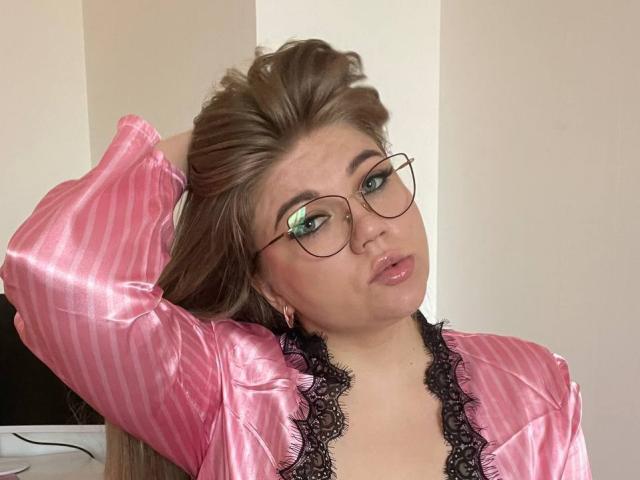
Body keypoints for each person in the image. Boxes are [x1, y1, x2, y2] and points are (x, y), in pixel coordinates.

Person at [0, 39, 591, 479]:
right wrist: (198, 150)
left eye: (374, 180)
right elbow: (56, 275)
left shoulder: (536, 388)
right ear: (267, 283)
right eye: (311, 221)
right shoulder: (228, 392)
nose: (370, 229)